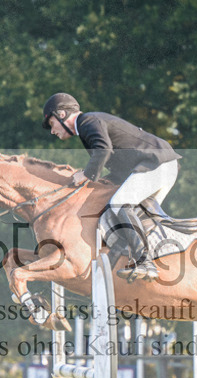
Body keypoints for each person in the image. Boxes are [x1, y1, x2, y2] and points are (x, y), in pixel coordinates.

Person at [42, 92, 181, 281]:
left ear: (62, 114)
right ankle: (114, 273)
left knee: (119, 204)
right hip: (158, 165)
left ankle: (145, 262)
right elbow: (118, 161)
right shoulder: (88, 124)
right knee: (126, 216)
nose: (52, 131)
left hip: (156, 163)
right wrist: (101, 181)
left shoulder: (87, 122)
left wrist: (86, 174)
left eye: (51, 124)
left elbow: (103, 150)